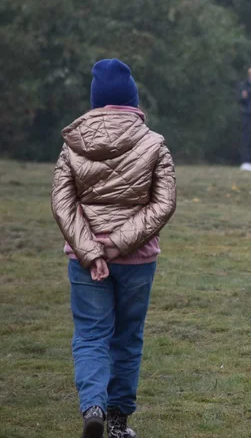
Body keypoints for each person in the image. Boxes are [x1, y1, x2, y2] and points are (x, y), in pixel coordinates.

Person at [51, 59, 177, 438]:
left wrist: (92, 251)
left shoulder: (71, 144)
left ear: (96, 101)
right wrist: (118, 246)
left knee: (90, 334)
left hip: (84, 260)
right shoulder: (154, 143)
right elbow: (164, 203)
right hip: (137, 259)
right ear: (133, 99)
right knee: (128, 337)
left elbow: (62, 203)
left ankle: (93, 406)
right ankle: (119, 423)